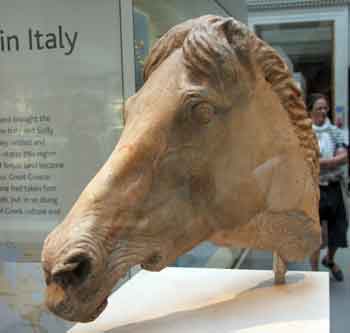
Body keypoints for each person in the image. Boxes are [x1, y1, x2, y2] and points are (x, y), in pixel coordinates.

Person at [308, 93, 348, 281]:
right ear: (311, 110)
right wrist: (332, 162)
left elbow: (344, 156)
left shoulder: (334, 131)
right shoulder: (304, 131)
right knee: (315, 233)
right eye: (319, 108)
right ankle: (314, 273)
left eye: (325, 108)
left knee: (339, 229)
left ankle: (329, 260)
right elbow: (304, 159)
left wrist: (322, 162)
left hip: (333, 187)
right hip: (313, 188)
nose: (323, 111)